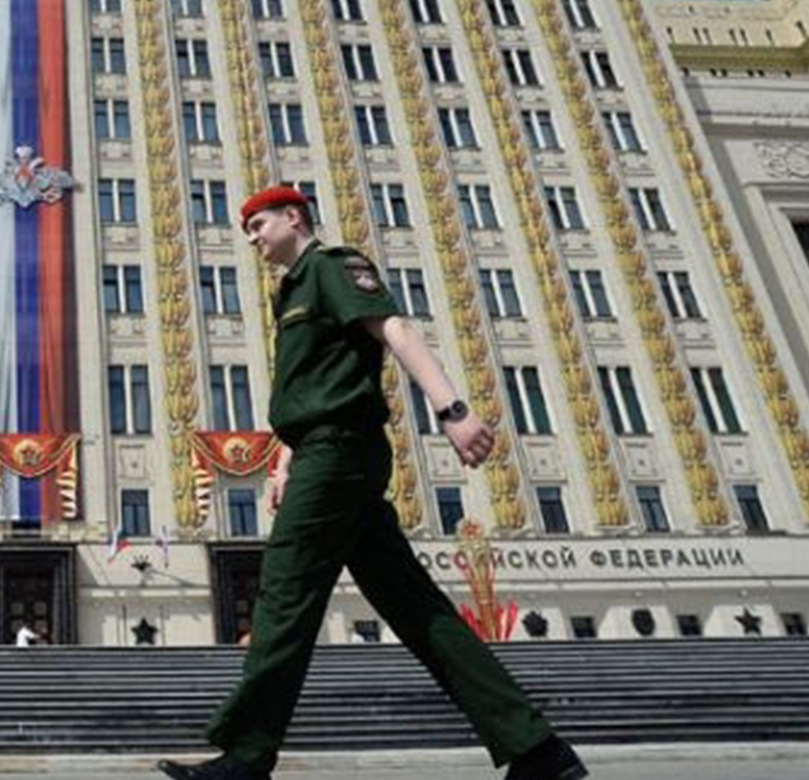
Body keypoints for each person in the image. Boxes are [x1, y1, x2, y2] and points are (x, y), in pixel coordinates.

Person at [156, 186, 586, 780]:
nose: (251, 237)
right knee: (414, 607)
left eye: (257, 225)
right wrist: (284, 463)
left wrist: (452, 410)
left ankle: (248, 755)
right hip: (325, 453)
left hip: (339, 455)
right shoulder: (292, 291)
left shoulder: (330, 268)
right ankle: (537, 749)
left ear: (292, 217)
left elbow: (395, 329)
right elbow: (313, 384)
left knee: (284, 593)